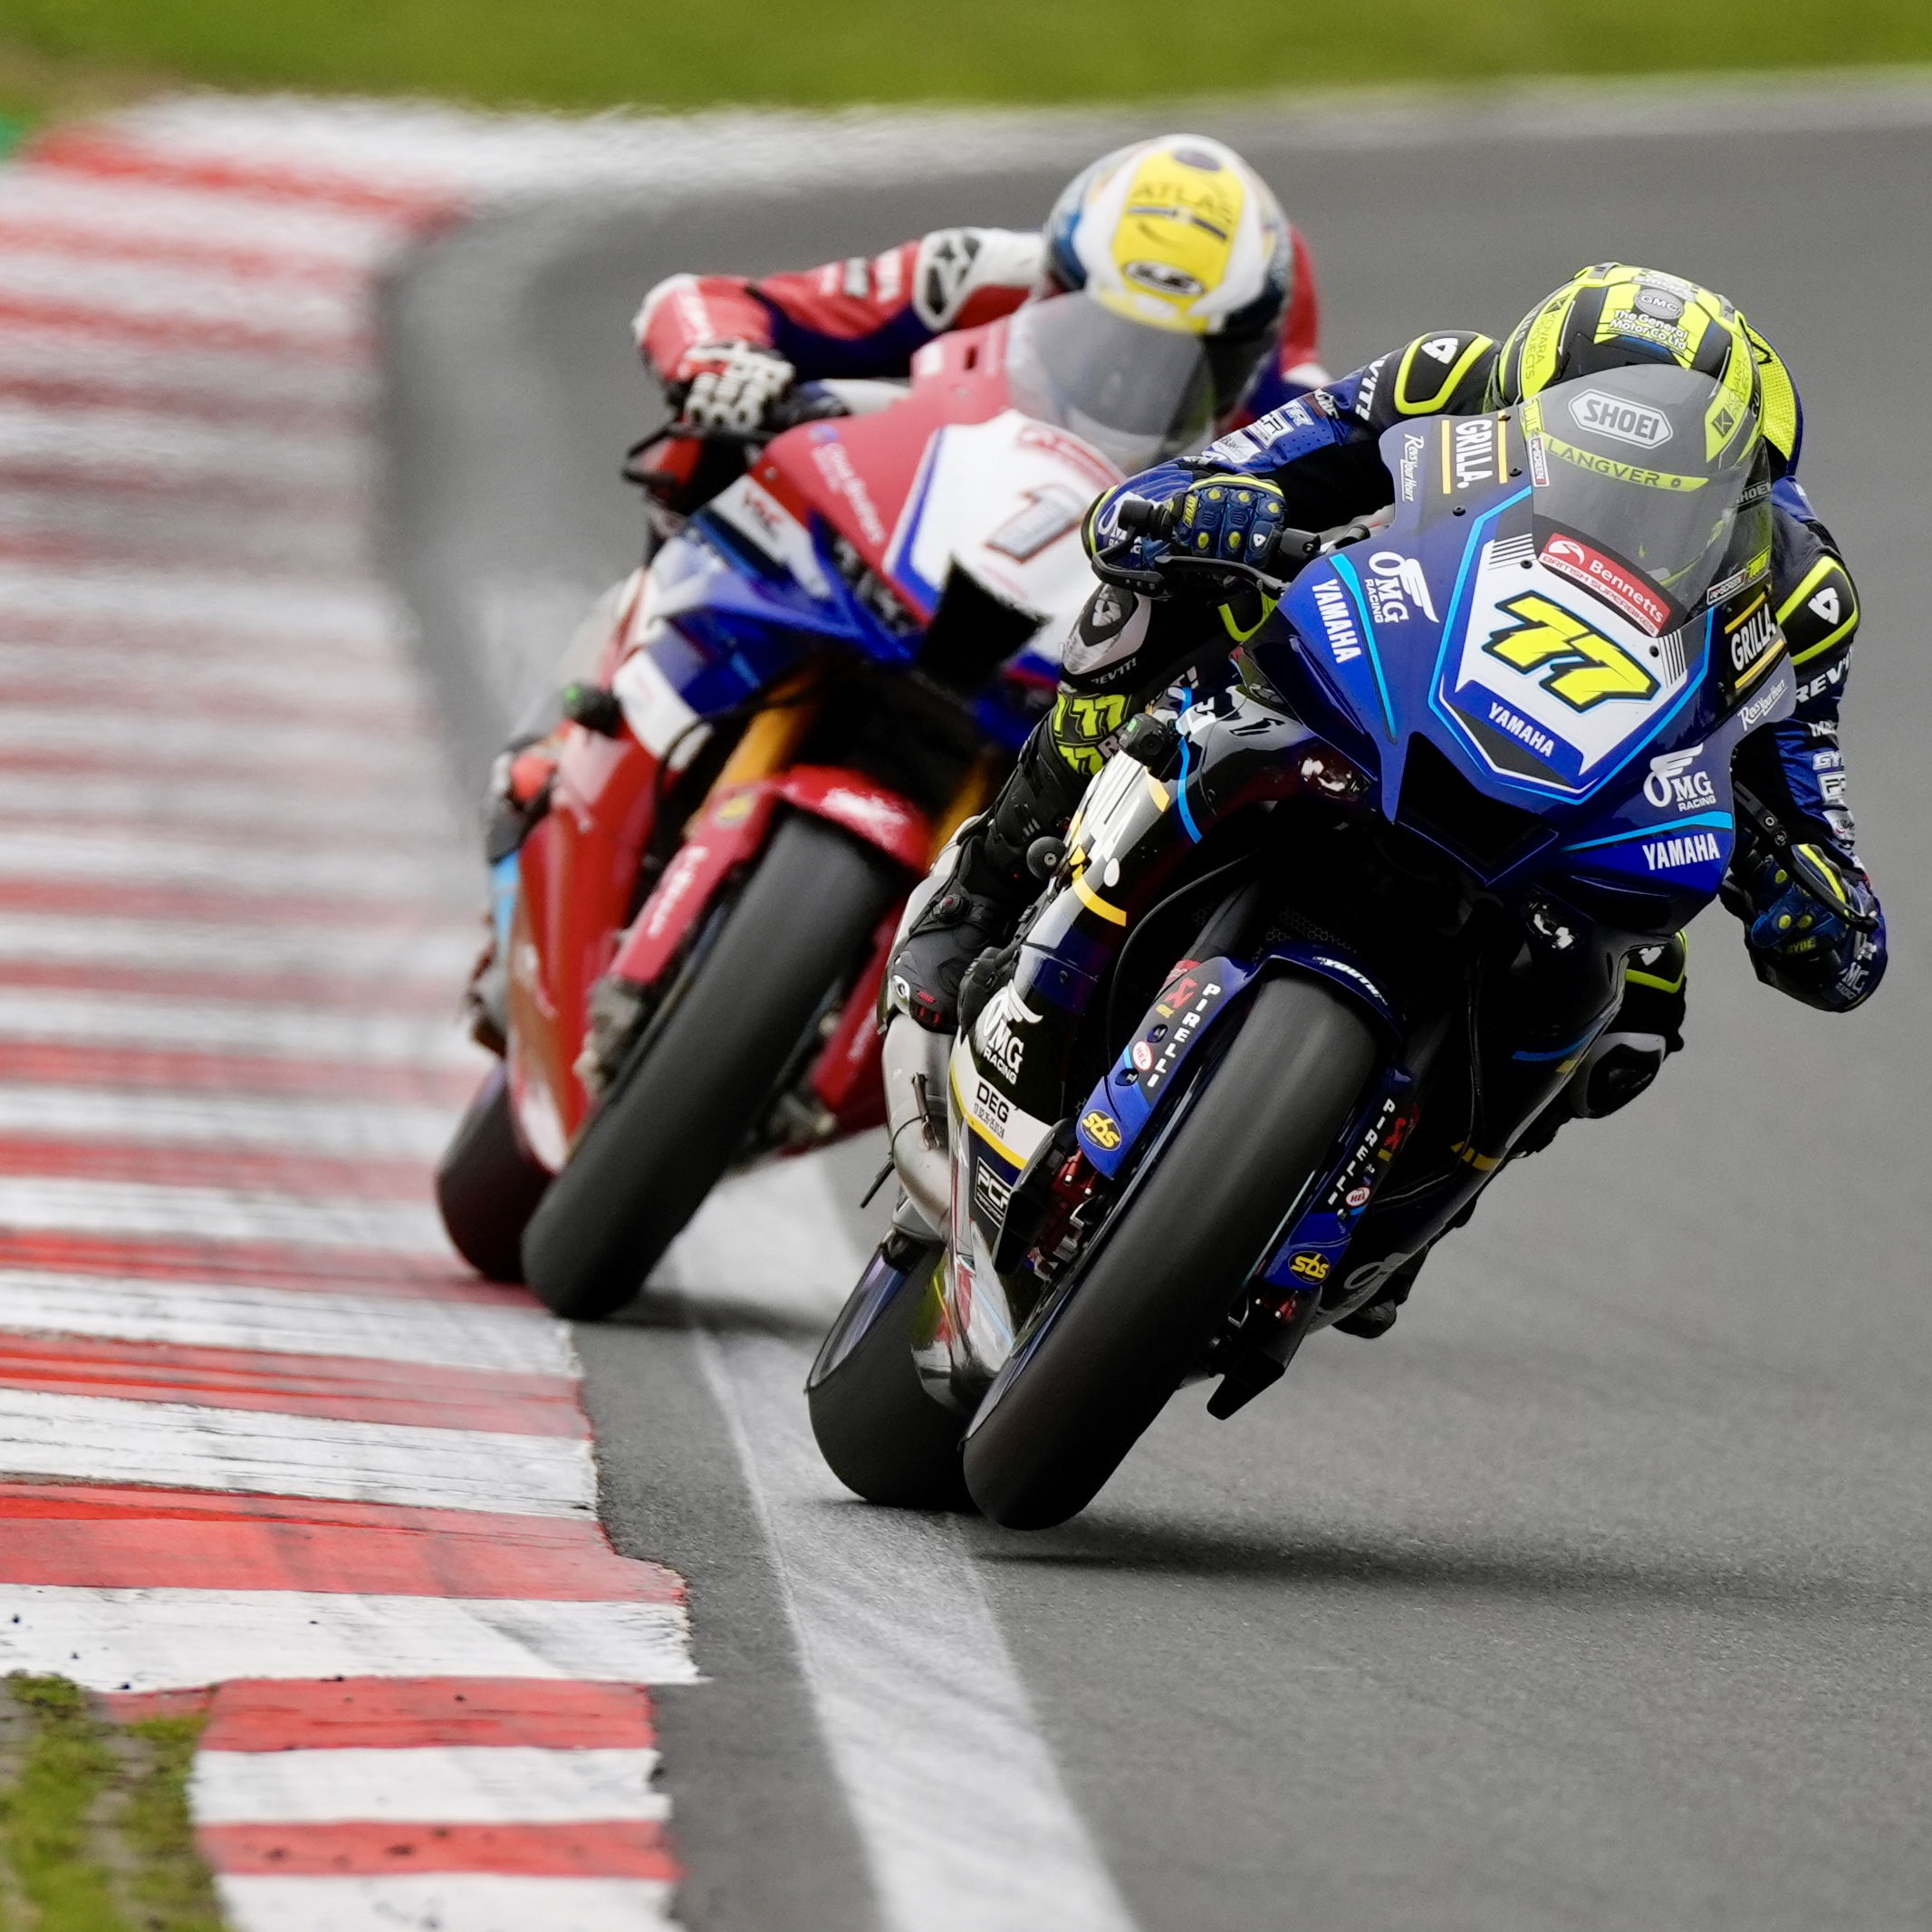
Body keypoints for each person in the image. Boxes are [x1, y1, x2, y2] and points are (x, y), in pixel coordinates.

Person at [888, 264, 1886, 1331]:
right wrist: (1213, 512)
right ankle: (988, 886)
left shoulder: (1799, 590)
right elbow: (1179, 492)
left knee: (1640, 1003)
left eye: (1661, 491)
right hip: (1379, 672)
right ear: (1520, 399)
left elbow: (1821, 845)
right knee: (1148, 611)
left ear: (1743, 493)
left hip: (1594, 792)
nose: (1620, 501)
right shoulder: (1438, 378)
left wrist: (1811, 899)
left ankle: (1410, 1221)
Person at [631, 132, 1326, 463]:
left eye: (1184, 358)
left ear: (1250, 344)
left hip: (1090, 617)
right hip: (910, 505)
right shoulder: (976, 271)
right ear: (1054, 282)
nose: (1128, 379)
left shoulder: (1296, 405)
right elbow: (693, 298)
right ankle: (638, 674)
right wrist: (717, 361)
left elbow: (1383, 517)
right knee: (710, 440)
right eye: (1102, 333)